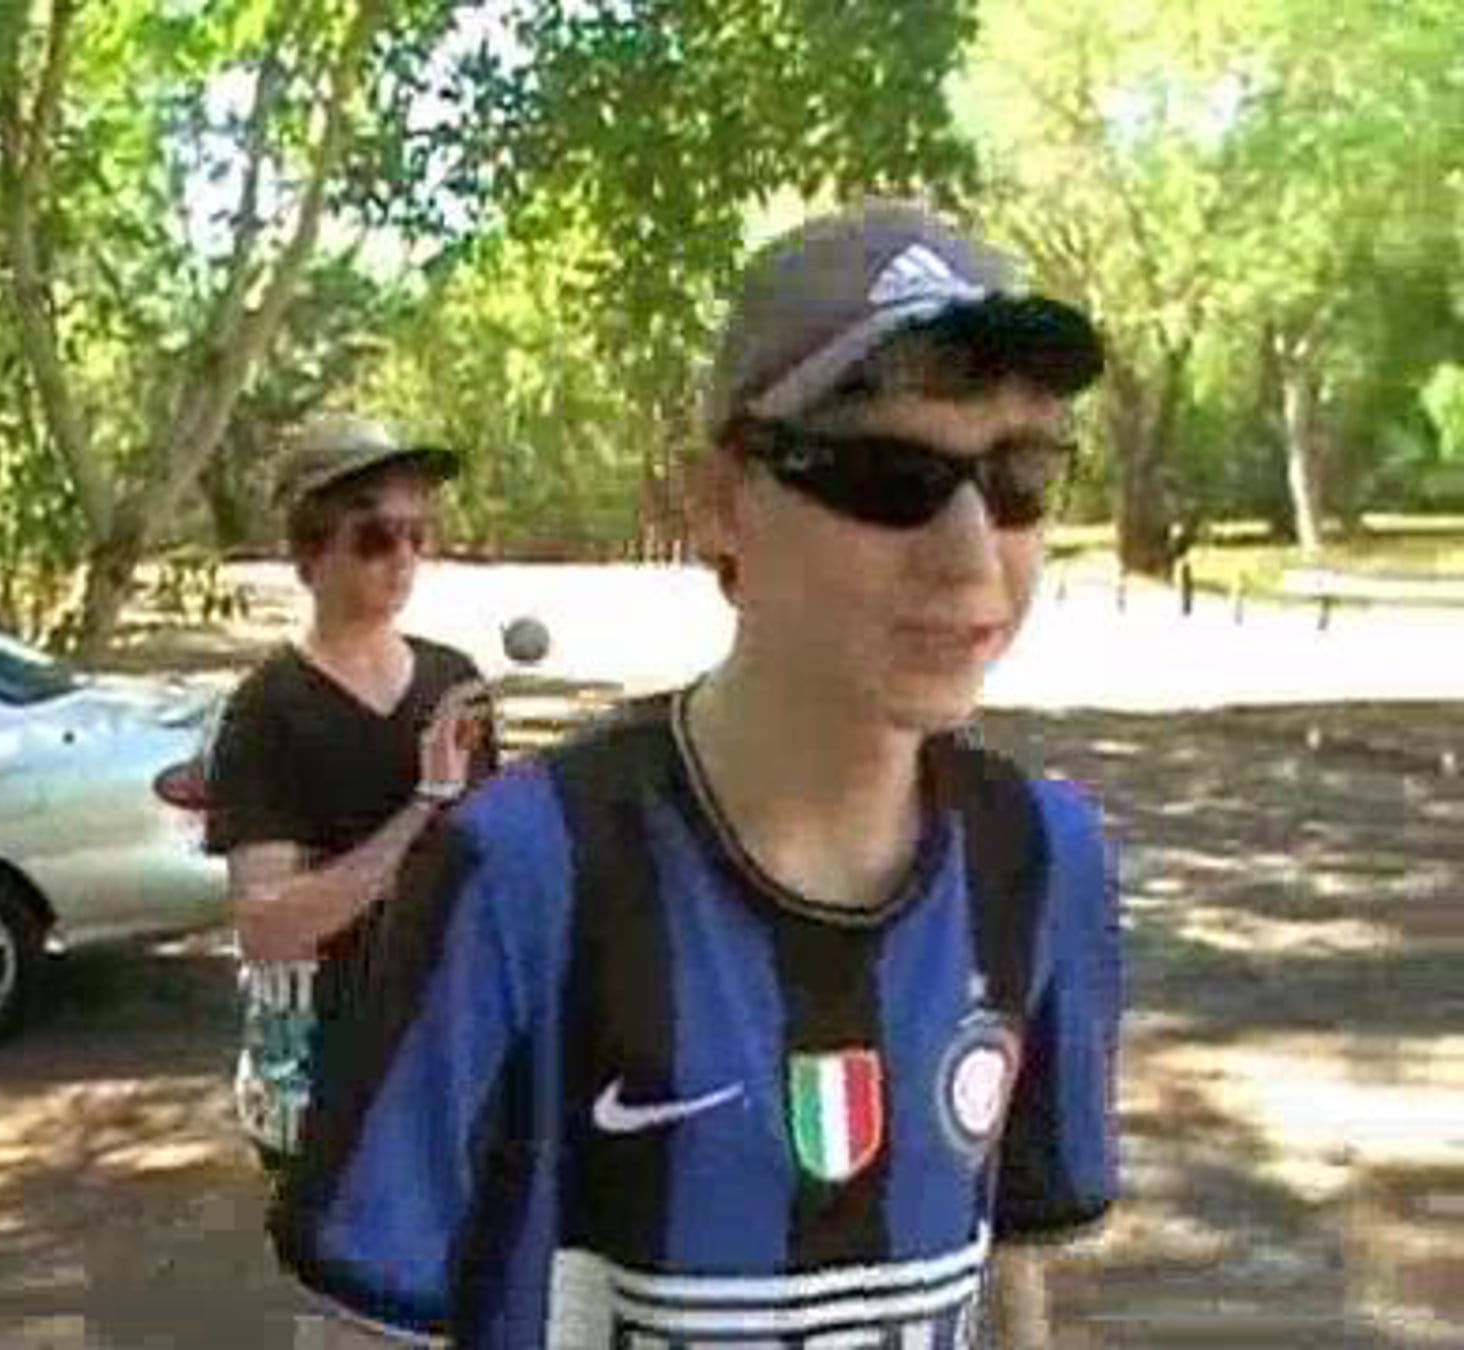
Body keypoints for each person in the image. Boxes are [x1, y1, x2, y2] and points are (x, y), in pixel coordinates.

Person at [272, 202, 1122, 1349]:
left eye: (1021, 477)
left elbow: (1010, 1263)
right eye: (888, 475)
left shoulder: (1043, 861)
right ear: (719, 503)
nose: (974, 556)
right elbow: (364, 1323)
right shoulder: (520, 873)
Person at [204, 413, 499, 1191]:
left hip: (447, 1063)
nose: (403, 557)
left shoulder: (454, 683)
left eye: (417, 534)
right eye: (374, 537)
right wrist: (422, 807)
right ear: (311, 553)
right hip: (321, 1085)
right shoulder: (267, 710)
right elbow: (267, 926)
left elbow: (489, 877)